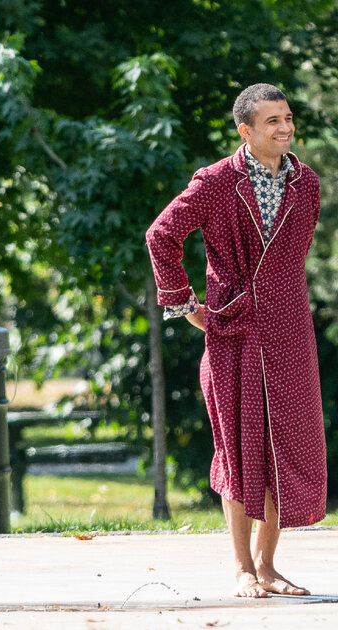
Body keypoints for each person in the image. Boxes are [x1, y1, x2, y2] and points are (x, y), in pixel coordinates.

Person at [146, 83, 325, 598]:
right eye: (273, 120)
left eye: (288, 117)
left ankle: (270, 566)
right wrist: (185, 305)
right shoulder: (218, 182)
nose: (285, 127)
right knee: (240, 451)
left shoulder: (305, 184)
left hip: (290, 332)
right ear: (246, 130)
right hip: (234, 332)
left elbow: (292, 259)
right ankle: (243, 568)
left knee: (289, 447)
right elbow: (162, 235)